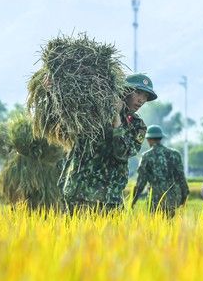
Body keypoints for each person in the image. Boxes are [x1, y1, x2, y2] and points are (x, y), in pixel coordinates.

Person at [61, 73, 157, 213]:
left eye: (145, 96)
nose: (141, 100)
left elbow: (122, 153)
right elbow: (65, 116)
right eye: (138, 92)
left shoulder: (138, 126)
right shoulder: (95, 113)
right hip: (79, 193)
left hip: (110, 198)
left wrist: (116, 119)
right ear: (125, 91)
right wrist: (51, 92)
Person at [131, 125, 189, 216]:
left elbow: (140, 183)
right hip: (172, 199)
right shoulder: (175, 154)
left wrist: (133, 201)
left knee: (155, 227)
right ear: (160, 138)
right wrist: (184, 196)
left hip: (155, 200)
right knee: (171, 227)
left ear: (148, 139)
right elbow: (181, 178)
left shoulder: (147, 156)